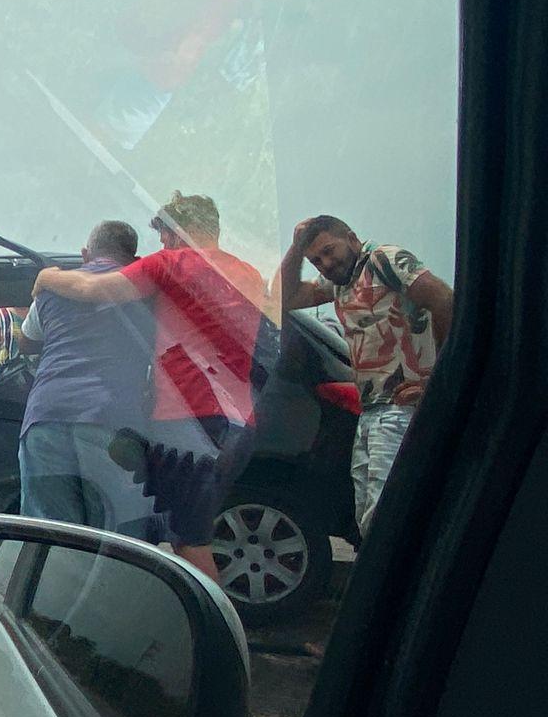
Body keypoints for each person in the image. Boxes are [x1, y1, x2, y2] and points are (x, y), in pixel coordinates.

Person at [32, 192, 268, 581]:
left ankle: (215, 628)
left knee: (189, 541)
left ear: (180, 232)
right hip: (239, 423)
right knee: (188, 524)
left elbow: (95, 289)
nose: (160, 244)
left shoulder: (170, 264)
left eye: (164, 235)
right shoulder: (248, 273)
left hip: (189, 421)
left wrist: (47, 277)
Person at [277, 215, 454, 533]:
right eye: (316, 259)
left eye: (330, 250)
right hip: (373, 408)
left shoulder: (382, 259)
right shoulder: (341, 281)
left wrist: (437, 381)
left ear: (351, 237)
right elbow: (285, 298)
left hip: (400, 405)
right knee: (368, 517)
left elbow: (442, 299)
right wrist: (294, 249)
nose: (326, 263)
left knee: (384, 516)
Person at [17, 221, 157, 536]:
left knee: (52, 535)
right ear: (133, 258)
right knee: (118, 535)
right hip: (113, 420)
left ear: (85, 254)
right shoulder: (146, 293)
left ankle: (55, 586)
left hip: (45, 418)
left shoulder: (49, 293)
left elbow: (26, 342)